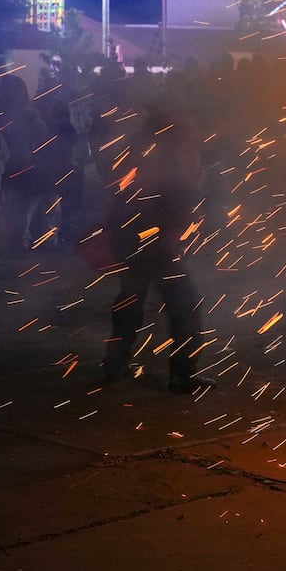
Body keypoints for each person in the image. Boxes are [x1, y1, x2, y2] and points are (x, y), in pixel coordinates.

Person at [101, 102, 216, 394]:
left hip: (130, 238)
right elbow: (181, 197)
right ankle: (182, 375)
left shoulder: (140, 150)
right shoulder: (174, 156)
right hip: (156, 242)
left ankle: (114, 366)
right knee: (184, 306)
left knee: (130, 300)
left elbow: (120, 195)